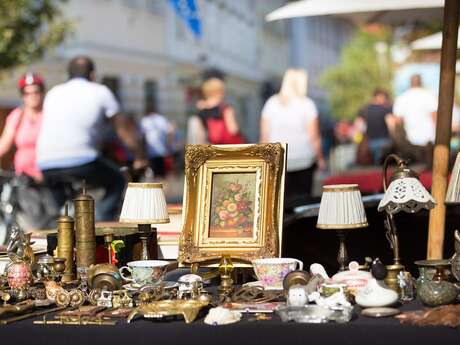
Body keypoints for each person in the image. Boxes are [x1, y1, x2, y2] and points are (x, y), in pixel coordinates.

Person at [36, 56, 147, 221]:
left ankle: (61, 228)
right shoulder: (101, 91)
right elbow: (123, 130)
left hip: (46, 162)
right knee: (116, 180)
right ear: (93, 75)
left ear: (69, 75)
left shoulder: (53, 93)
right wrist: (140, 156)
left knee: (63, 213)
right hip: (82, 160)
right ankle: (101, 229)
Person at [0, 73, 58, 229]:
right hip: (26, 181)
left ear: (42, 92)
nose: (32, 96)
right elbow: (4, 144)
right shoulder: (17, 117)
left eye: (36, 91)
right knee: (33, 227)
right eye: (27, 92)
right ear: (23, 95)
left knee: (56, 225)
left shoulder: (50, 115)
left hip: (50, 179)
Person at [260, 69, 325, 205]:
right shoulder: (307, 104)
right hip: (303, 158)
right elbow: (314, 136)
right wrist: (320, 158)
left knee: (281, 202)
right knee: (304, 200)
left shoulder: (271, 103)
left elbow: (264, 135)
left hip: (279, 158)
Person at [393, 74, 437, 147]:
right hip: (429, 139)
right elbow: (435, 117)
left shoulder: (401, 98)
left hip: (409, 141)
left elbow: (398, 121)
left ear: (410, 83)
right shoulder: (430, 95)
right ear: (421, 82)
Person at [196, 78, 244, 145]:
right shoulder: (225, 107)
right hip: (229, 146)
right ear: (220, 91)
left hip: (213, 145)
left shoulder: (201, 109)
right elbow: (233, 129)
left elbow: (200, 133)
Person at [355, 89, 393, 165]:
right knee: (383, 165)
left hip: (369, 143)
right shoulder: (385, 109)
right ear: (380, 97)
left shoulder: (364, 109)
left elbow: (358, 125)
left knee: (373, 165)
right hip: (385, 142)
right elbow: (391, 124)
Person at [140, 101, 175, 178]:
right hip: (159, 152)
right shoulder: (161, 119)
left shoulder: (145, 120)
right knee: (163, 177)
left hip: (153, 153)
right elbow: (170, 132)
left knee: (157, 177)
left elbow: (142, 138)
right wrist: (169, 146)